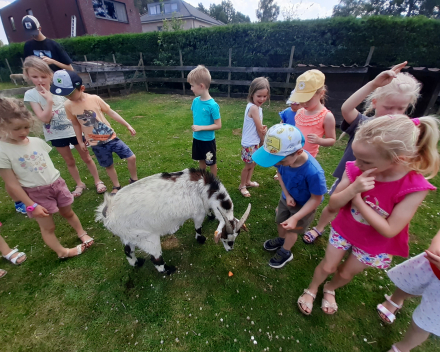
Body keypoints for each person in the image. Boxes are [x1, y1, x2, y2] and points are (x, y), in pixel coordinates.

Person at [297, 115, 439, 316]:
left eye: (365, 161)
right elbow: (334, 203)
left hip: (375, 243)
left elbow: (390, 230)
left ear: (397, 158)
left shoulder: (415, 187)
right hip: (345, 229)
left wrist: (358, 202)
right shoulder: (356, 169)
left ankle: (330, 288)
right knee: (328, 265)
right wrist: (354, 188)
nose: (357, 163)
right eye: (357, 157)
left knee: (347, 272)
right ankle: (312, 288)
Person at [302, 62, 421, 245]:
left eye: (401, 109)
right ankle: (320, 227)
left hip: (378, 185)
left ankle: (356, 238)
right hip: (347, 177)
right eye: (389, 107)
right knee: (334, 205)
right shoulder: (363, 123)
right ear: (375, 103)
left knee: (366, 212)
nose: (394, 114)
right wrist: (374, 84)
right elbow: (346, 109)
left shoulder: (403, 135)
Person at [0, 97, 94, 259]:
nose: (23, 132)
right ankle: (62, 251)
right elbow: (13, 184)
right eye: (17, 129)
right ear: (2, 126)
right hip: (35, 193)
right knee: (48, 226)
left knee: (69, 212)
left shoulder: (37, 142)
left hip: (57, 184)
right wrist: (31, 205)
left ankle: (82, 233)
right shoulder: (3, 151)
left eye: (26, 127)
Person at [23, 56, 106, 196]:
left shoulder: (60, 89)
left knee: (86, 157)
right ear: (27, 76)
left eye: (43, 76)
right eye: (35, 77)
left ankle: (98, 181)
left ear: (50, 75)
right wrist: (49, 101)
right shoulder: (31, 95)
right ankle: (79, 184)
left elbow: (77, 105)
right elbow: (44, 118)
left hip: (74, 130)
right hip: (55, 134)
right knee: (69, 161)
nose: (40, 80)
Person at [50, 70, 138, 195]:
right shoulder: (68, 105)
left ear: (81, 88)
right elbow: (75, 123)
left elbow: (111, 112)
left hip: (111, 137)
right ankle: (116, 186)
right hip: (95, 143)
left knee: (131, 157)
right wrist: (80, 141)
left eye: (70, 94)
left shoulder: (95, 99)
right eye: (65, 95)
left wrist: (127, 125)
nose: (68, 97)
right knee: (108, 165)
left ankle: (134, 180)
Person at [252, 124, 327, 268]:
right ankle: (281, 239)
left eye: (281, 161)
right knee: (280, 221)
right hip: (286, 198)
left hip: (304, 207)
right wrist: (287, 194)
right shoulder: (282, 160)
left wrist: (296, 217)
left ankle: (286, 251)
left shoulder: (314, 173)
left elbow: (316, 199)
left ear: (298, 152)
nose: (278, 164)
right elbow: (280, 174)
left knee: (292, 230)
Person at [378, 229, 440, 352]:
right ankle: (395, 300)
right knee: (409, 282)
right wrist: (437, 243)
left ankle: (401, 348)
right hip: (432, 263)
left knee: (425, 323)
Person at [290, 69, 336, 158]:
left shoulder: (326, 116)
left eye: (308, 99)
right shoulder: (300, 112)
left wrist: (319, 140)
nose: (304, 103)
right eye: (301, 99)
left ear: (321, 93)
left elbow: (332, 140)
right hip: (292, 154)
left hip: (307, 158)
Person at [187, 65, 221, 176]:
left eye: (192, 86)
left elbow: (218, 125)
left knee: (210, 162)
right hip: (197, 139)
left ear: (201, 86)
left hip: (208, 141)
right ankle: (203, 180)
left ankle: (213, 183)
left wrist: (201, 127)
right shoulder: (195, 101)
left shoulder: (213, 105)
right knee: (201, 160)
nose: (191, 88)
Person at [238, 77, 269, 197]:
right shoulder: (254, 108)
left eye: (265, 96)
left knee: (254, 162)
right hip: (250, 143)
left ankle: (248, 181)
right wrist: (263, 138)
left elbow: (259, 126)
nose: (262, 99)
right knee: (248, 165)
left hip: (253, 141)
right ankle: (242, 185)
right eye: (259, 96)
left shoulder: (255, 107)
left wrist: (262, 129)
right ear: (252, 94)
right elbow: (258, 128)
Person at [274, 91, 300, 181]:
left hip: (295, 139)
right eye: (292, 104)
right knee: (282, 156)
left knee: (292, 157)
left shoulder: (302, 114)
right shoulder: (287, 112)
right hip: (285, 138)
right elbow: (282, 122)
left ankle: (291, 170)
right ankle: (279, 172)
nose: (293, 106)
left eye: (296, 104)